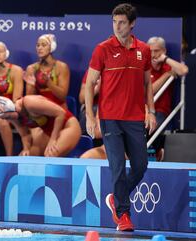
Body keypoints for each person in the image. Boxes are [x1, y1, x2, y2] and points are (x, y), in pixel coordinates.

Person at [84, 3, 157, 231]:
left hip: (135, 117)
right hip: (109, 118)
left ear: (132, 23)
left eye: (122, 22)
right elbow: (89, 84)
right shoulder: (102, 49)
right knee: (117, 165)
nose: (117, 26)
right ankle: (124, 215)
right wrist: (90, 117)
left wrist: (151, 111)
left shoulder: (143, 50)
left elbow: (147, 84)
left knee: (141, 165)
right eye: (114, 21)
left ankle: (116, 197)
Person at [81, 37, 189, 161]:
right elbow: (145, 91)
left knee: (150, 124)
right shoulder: (142, 67)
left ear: (163, 51)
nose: (153, 54)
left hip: (158, 111)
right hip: (137, 107)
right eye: (151, 51)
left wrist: (164, 59)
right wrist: (166, 76)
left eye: (157, 51)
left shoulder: (167, 66)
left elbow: (184, 70)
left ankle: (151, 152)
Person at [0, 95, 81, 157]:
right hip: (49, 130)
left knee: (51, 154)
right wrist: (26, 149)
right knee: (31, 156)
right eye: (6, 118)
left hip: (68, 125)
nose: (9, 119)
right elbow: (25, 135)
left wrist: (53, 139)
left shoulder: (29, 103)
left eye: (8, 116)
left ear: (10, 107)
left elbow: (61, 113)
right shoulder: (14, 117)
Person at [24, 34, 70, 108]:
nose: (39, 48)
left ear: (51, 47)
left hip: (59, 107)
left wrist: (49, 84)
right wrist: (32, 83)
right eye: (38, 45)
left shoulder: (61, 67)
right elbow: (29, 98)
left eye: (43, 45)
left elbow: (62, 96)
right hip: (39, 108)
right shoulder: (31, 68)